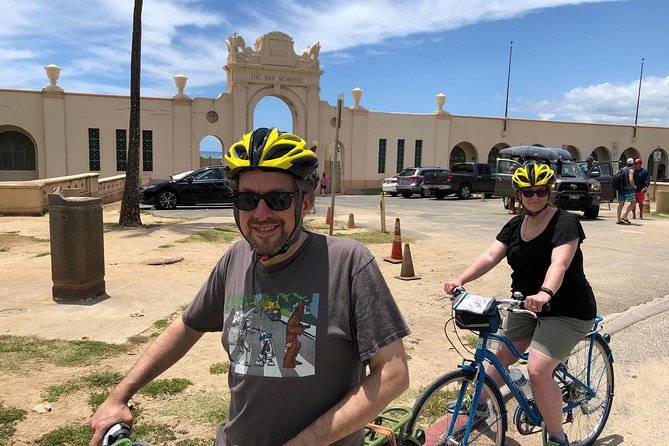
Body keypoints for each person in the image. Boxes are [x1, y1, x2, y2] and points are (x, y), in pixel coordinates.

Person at [89, 128, 411, 446]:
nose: (261, 213)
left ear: (305, 203)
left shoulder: (348, 263)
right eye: (247, 199)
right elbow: (186, 326)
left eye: (278, 199)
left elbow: (393, 374)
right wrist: (120, 395)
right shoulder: (235, 258)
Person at [444, 162, 596, 446]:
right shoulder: (515, 225)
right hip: (525, 305)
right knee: (502, 355)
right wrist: (461, 279)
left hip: (567, 310)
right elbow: (491, 255)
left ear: (549, 192)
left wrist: (545, 293)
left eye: (540, 191)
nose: (534, 197)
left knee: (537, 371)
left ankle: (557, 438)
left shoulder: (565, 223)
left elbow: (559, 263)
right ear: (519, 194)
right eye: (528, 192)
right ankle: (479, 404)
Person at [616, 158, 637, 225]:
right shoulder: (631, 170)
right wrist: (634, 186)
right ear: (632, 164)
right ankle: (625, 216)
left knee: (621, 204)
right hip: (628, 189)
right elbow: (631, 179)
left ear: (627, 163)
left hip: (621, 189)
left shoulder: (622, 169)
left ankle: (618, 219)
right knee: (633, 202)